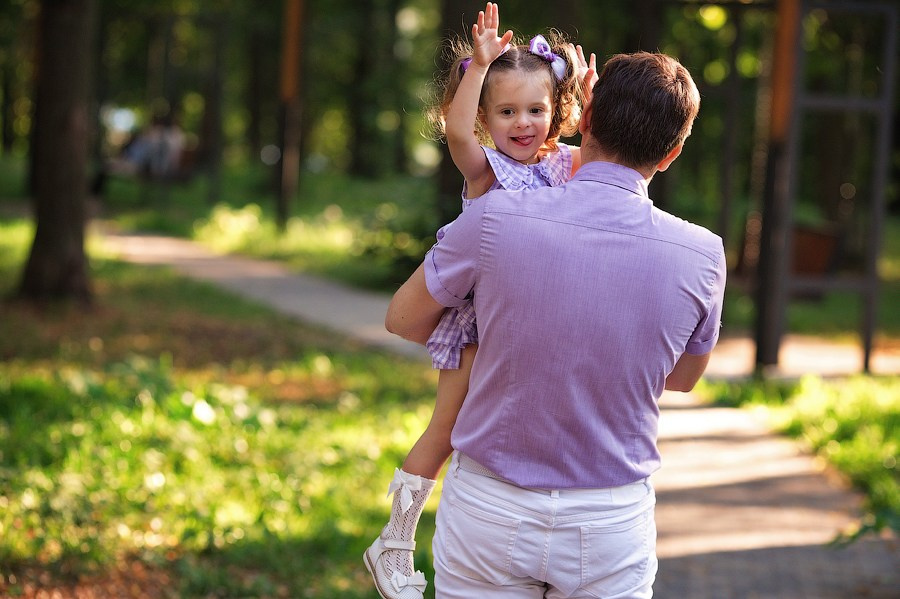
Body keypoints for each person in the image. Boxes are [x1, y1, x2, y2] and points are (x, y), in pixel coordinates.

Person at [385, 48, 726, 599]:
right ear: (672, 154)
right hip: (611, 520)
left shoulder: (496, 217)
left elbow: (403, 319)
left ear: (582, 116)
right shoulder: (704, 253)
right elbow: (683, 379)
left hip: (490, 511)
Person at [363, 4, 596, 599]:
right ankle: (393, 540)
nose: (524, 123)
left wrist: (589, 108)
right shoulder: (485, 172)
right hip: (476, 326)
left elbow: (603, 160)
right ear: (488, 118)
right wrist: (479, 67)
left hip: (526, 322)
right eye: (507, 111)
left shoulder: (563, 165)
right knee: (445, 427)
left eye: (537, 109)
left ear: (557, 112)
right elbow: (457, 131)